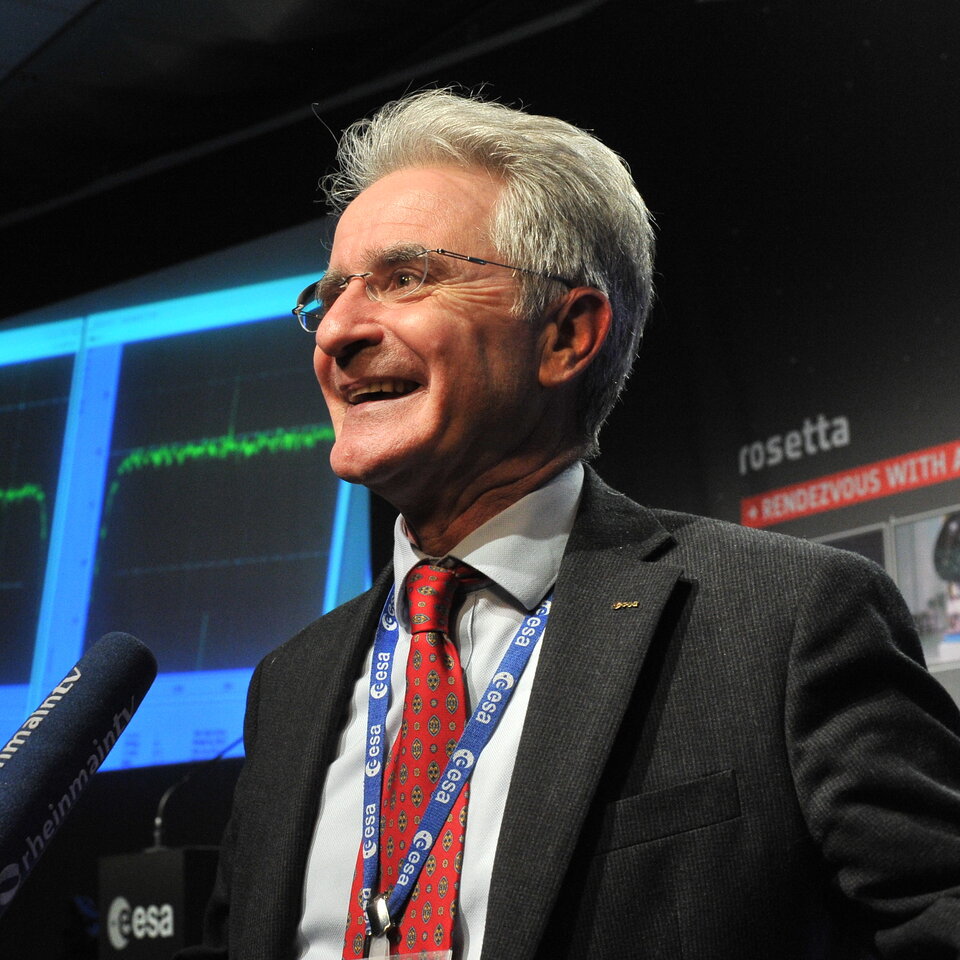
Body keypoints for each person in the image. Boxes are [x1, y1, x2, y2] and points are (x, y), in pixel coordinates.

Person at [178, 89, 960, 960]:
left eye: (405, 279)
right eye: (328, 296)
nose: (340, 332)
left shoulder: (784, 622)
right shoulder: (290, 686)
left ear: (566, 336)